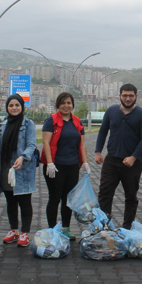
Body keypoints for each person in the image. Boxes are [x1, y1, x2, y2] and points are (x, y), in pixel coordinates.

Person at [95, 83, 142, 229]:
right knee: (104, 194)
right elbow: (103, 131)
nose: (127, 98)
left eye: (131, 95)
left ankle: (127, 227)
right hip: (112, 159)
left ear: (136, 97)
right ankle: (104, 226)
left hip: (132, 163)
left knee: (131, 197)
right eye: (125, 95)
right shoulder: (111, 111)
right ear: (119, 96)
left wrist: (134, 157)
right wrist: (98, 151)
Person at [41, 92, 91, 240]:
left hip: (72, 166)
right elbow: (46, 143)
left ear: (72, 105)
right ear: (58, 105)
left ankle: (66, 228)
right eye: (63, 103)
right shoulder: (51, 121)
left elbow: (82, 144)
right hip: (55, 166)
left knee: (68, 199)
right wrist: (49, 163)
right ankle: (51, 229)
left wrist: (85, 162)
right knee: (54, 198)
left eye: (69, 103)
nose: (66, 106)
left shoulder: (77, 122)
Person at [0, 94, 38, 247]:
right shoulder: (2, 126)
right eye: (11, 105)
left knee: (25, 202)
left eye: (17, 105)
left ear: (22, 107)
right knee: (10, 202)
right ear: (7, 107)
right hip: (7, 169)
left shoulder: (28, 124)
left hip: (23, 169)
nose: (14, 108)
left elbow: (31, 144)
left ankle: (25, 233)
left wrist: (23, 157)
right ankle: (14, 230)